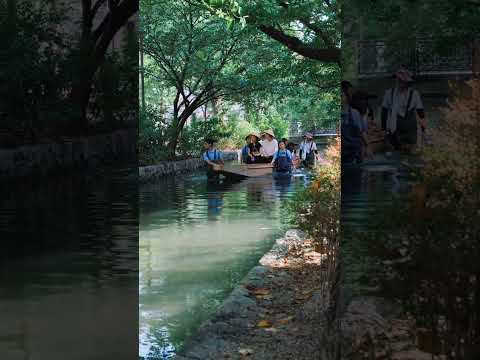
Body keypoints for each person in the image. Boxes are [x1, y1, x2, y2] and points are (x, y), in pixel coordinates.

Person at [381, 67, 426, 151]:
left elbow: (421, 113)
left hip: (410, 130)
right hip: (394, 129)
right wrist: (383, 129)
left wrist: (424, 131)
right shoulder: (389, 93)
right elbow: (384, 111)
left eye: (402, 81)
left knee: (410, 152)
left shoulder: (414, 94)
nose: (400, 83)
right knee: (395, 151)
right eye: (398, 80)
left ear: (407, 82)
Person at [341, 81, 369, 164]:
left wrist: (367, 146)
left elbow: (362, 132)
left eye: (341, 96)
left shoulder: (354, 113)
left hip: (354, 154)